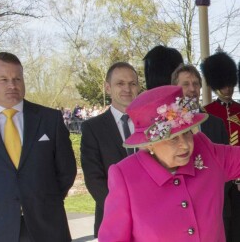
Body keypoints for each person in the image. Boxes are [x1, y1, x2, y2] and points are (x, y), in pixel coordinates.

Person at [0, 52, 77, 242]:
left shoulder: (49, 119)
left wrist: (44, 198)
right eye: (3, 79)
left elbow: (66, 170)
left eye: (17, 79)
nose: (12, 85)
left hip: (47, 223)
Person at [99, 85, 240, 242]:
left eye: (186, 133)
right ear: (149, 143)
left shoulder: (205, 150)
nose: (186, 145)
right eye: (173, 138)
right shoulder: (125, 176)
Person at [171, 63, 232, 239]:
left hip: (217, 210)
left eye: (196, 84)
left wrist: (211, 193)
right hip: (181, 214)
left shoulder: (215, 123)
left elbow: (225, 165)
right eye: (186, 84)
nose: (192, 89)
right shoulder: (167, 128)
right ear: (174, 88)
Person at [81, 62, 139, 238]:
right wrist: (122, 209)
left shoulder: (152, 123)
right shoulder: (92, 128)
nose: (127, 89)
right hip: (112, 218)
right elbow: (93, 178)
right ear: (108, 87)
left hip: (153, 216)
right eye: (120, 83)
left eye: (132, 83)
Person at [201, 51, 240, 241]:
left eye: (230, 83)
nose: (228, 88)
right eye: (223, 84)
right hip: (219, 182)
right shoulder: (207, 113)